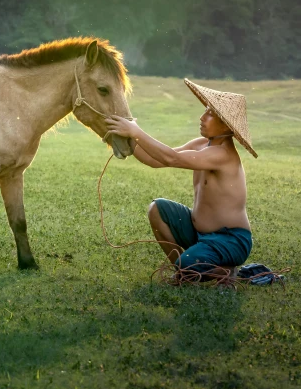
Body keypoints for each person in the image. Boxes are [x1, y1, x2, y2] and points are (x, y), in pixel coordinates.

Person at [104, 79, 258, 276]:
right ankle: (183, 268)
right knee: (158, 209)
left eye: (211, 114)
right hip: (198, 233)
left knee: (187, 265)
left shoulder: (223, 155)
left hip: (229, 239)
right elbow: (157, 160)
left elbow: (170, 157)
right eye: (205, 110)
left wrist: (136, 131)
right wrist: (127, 138)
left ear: (227, 127)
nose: (202, 117)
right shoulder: (202, 144)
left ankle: (220, 271)